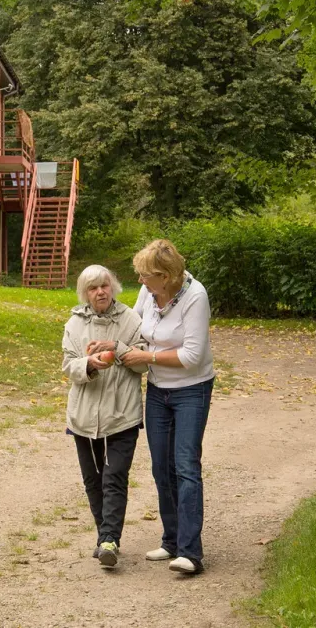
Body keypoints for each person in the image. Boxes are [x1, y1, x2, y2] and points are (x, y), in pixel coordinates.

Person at [121, 239, 215, 575]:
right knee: (161, 467)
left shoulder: (195, 296)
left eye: (147, 276)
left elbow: (192, 357)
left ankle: (192, 553)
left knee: (185, 466)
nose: (141, 281)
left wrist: (146, 357)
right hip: (158, 390)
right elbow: (134, 325)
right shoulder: (149, 291)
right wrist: (113, 343)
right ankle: (172, 541)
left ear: (167, 276)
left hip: (192, 389)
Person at [61, 265, 148, 568]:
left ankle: (109, 538)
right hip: (83, 417)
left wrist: (117, 349)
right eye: (93, 288)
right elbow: (68, 366)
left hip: (122, 414)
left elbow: (142, 364)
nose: (100, 292)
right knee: (92, 480)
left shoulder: (131, 320)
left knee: (114, 477)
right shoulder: (74, 323)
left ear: (113, 288)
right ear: (85, 293)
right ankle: (105, 537)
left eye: (105, 286)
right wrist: (90, 363)